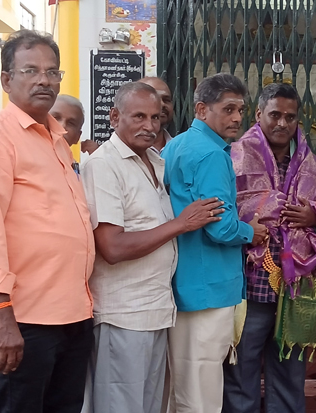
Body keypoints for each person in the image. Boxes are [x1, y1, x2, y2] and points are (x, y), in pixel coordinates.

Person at [80, 81, 225, 413]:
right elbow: (112, 247)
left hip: (156, 311)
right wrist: (181, 224)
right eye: (139, 117)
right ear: (114, 117)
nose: (150, 126)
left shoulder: (153, 161)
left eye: (156, 117)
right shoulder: (104, 165)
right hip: (124, 315)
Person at [224, 83, 316, 413]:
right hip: (250, 284)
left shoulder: (311, 164)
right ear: (259, 114)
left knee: (290, 371)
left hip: (297, 287)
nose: (282, 123)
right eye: (275, 114)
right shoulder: (235, 157)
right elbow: (226, 208)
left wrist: (314, 216)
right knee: (241, 369)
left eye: (290, 117)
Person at [0, 30, 94, 413]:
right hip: (24, 318)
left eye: (52, 72)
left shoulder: (57, 140)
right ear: (6, 80)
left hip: (74, 314)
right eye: (31, 70)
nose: (44, 80)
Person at [161, 73, 268, 413]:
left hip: (182, 281)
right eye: (228, 109)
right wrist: (251, 232)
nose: (237, 118)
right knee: (202, 389)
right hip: (210, 287)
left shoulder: (175, 145)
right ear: (201, 109)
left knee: (178, 385)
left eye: (241, 110)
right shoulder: (211, 155)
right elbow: (220, 228)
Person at [138, 76, 174, 154]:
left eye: (166, 100)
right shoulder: (122, 150)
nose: (162, 104)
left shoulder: (181, 148)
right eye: (154, 99)